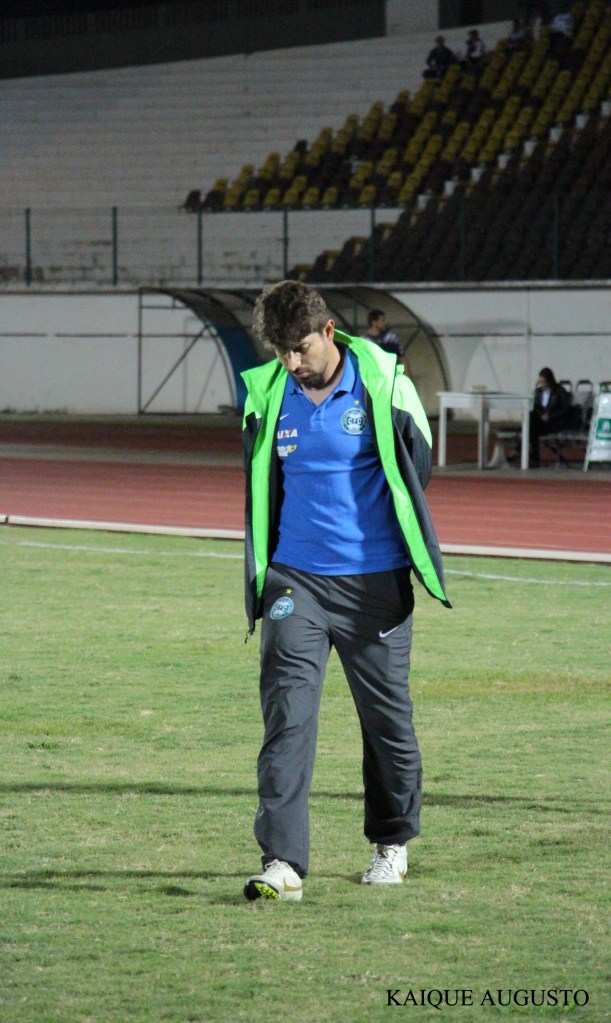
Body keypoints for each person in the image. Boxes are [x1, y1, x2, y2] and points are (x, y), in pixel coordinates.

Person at [241, 280, 450, 902]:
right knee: (286, 718)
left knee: (386, 722)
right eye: (279, 350)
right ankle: (283, 862)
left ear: (328, 332)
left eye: (299, 347)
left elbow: (420, 467)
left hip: (374, 584)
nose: (290, 361)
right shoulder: (269, 395)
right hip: (294, 579)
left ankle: (392, 844)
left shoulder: (385, 383)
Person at [529, 367, 572, 466]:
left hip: (554, 422)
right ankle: (534, 458)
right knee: (532, 423)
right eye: (540, 382)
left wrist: (551, 416)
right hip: (541, 422)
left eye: (543, 382)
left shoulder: (559, 391)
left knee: (532, 429)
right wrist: (541, 415)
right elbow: (536, 406)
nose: (541, 385)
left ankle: (524, 452)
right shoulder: (539, 392)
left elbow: (566, 409)